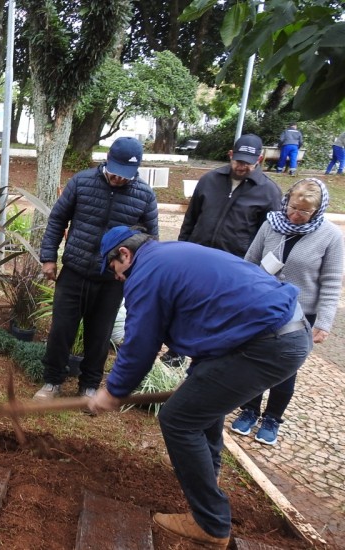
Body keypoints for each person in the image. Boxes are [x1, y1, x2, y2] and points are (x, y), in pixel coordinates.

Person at [88, 226, 312, 549]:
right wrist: (196, 377)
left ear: (124, 255)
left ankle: (210, 523)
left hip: (267, 343)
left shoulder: (146, 274)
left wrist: (112, 392)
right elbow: (213, 319)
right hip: (280, 331)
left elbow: (140, 345)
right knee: (199, 404)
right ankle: (210, 475)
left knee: (177, 420)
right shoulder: (168, 257)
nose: (118, 279)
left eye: (114, 271)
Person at [33, 137, 159, 401]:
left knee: (100, 334)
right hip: (75, 271)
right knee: (61, 329)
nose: (118, 179)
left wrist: (135, 277)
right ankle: (52, 381)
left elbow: (151, 241)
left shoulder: (145, 196)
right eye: (115, 173)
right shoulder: (82, 182)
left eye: (125, 176)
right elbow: (57, 219)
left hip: (111, 279)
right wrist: (48, 258)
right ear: (107, 161)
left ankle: (89, 386)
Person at [230, 178, 343, 445]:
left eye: (304, 212)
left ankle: (272, 418)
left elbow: (331, 281)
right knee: (254, 360)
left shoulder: (330, 236)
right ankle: (249, 409)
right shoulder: (271, 224)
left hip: (301, 314)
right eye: (293, 208)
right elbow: (250, 262)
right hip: (263, 306)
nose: (296, 215)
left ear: (318, 210)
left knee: (285, 367)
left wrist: (324, 322)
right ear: (287, 201)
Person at [161, 133, 281, 367]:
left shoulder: (269, 192)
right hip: (197, 256)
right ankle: (177, 350)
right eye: (238, 160)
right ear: (230, 155)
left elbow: (268, 236)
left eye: (248, 162)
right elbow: (191, 218)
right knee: (186, 304)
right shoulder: (209, 180)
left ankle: (206, 355)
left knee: (218, 311)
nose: (242, 166)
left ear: (260, 159)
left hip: (234, 264)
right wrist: (183, 247)